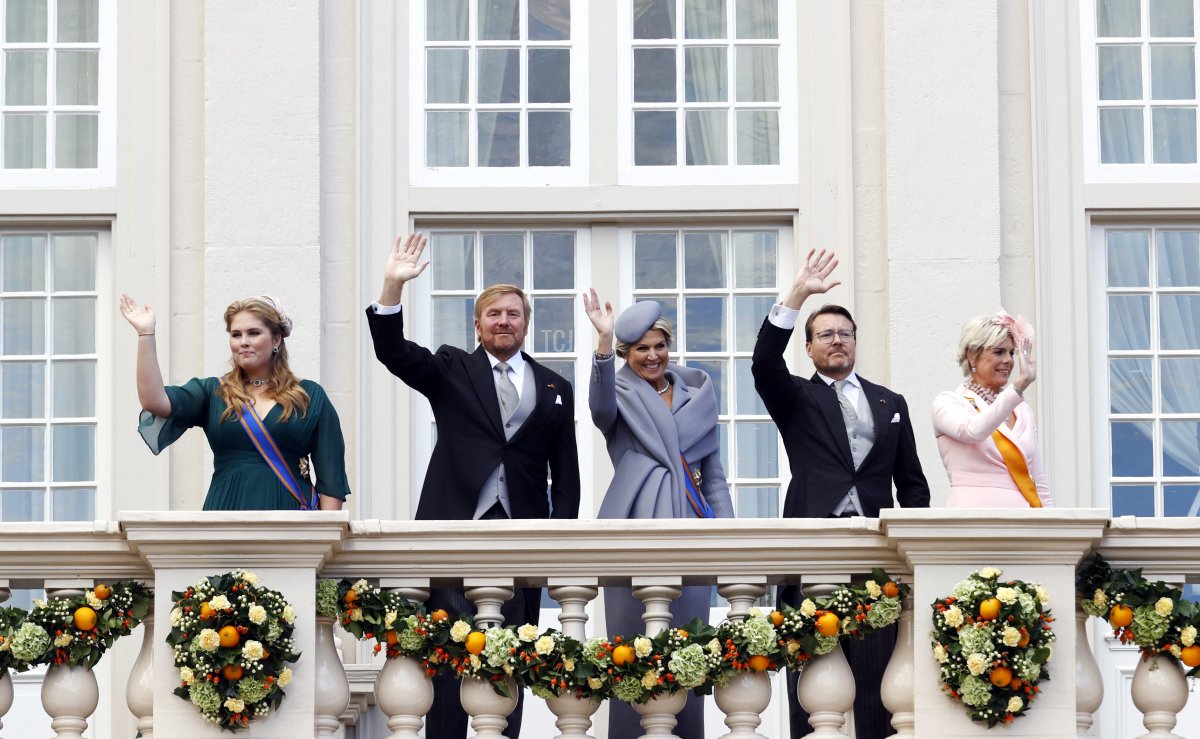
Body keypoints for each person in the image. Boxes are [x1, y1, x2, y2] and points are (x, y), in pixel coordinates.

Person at [365, 232, 580, 739]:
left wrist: (558, 541)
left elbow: (564, 473)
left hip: (521, 540)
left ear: (526, 323)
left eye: (513, 314)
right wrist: (393, 285)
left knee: (512, 661)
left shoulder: (555, 386)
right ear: (477, 325)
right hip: (454, 530)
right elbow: (392, 350)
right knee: (446, 655)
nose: (504, 321)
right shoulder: (451, 369)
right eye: (494, 314)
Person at [750, 248, 929, 739]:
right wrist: (798, 294)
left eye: (844, 334)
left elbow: (912, 484)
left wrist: (915, 554)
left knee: (876, 681)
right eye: (825, 335)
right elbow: (764, 361)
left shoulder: (890, 402)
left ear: (856, 342)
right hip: (810, 548)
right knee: (808, 674)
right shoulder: (796, 397)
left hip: (873, 555)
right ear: (808, 348)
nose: (836, 341)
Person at [583, 291, 734, 739]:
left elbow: (715, 477)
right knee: (632, 656)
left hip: (690, 526)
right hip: (634, 525)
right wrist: (604, 343)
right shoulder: (619, 389)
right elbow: (599, 408)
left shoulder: (698, 393)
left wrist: (729, 536)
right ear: (627, 355)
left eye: (659, 345)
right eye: (641, 349)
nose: (652, 356)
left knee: (689, 651)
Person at [121, 294, 349, 510]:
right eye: (236, 334)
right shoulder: (212, 392)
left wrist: (324, 539)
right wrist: (146, 335)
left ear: (276, 339)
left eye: (253, 333)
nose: (243, 342)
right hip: (226, 514)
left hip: (291, 519)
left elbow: (331, 480)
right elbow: (154, 400)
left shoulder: (308, 395)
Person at [932, 311, 1052, 508]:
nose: (1008, 360)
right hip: (972, 520)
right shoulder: (949, 402)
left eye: (1011, 352)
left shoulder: (1022, 410)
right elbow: (973, 431)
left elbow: (1038, 480)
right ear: (972, 356)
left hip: (1024, 525)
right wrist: (1019, 386)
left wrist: (1051, 528)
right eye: (999, 352)